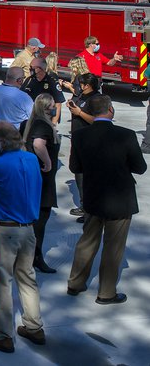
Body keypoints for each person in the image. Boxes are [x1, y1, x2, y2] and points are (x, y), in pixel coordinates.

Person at [0, 121, 45, 353]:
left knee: (2, 282)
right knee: (27, 277)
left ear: (0, 142)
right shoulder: (31, 159)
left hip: (5, 230)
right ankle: (34, 326)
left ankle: (3, 335)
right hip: (28, 228)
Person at [67, 95, 147, 304]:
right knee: (113, 247)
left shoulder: (80, 136)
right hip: (120, 199)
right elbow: (140, 167)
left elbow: (75, 167)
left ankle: (75, 282)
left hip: (93, 196)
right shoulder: (126, 135)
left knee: (87, 242)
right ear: (110, 110)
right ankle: (106, 292)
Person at [19, 93, 61, 274]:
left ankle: (27, 255)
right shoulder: (42, 125)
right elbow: (38, 144)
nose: (55, 109)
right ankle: (34, 257)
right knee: (40, 221)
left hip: (30, 177)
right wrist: (48, 162)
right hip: (42, 180)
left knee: (29, 220)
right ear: (46, 108)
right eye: (52, 106)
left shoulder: (28, 123)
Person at [65, 72, 100, 222]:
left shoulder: (97, 99)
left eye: (81, 84)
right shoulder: (81, 96)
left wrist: (79, 113)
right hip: (77, 140)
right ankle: (84, 205)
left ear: (88, 85)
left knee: (89, 177)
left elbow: (98, 120)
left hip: (90, 142)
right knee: (78, 173)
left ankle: (90, 210)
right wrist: (72, 106)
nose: (79, 86)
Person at [20, 57, 65, 125]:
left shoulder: (52, 82)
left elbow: (58, 104)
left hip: (46, 120)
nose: (30, 69)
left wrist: (53, 124)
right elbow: (21, 96)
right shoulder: (29, 80)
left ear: (39, 69)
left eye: (32, 67)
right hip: (29, 119)